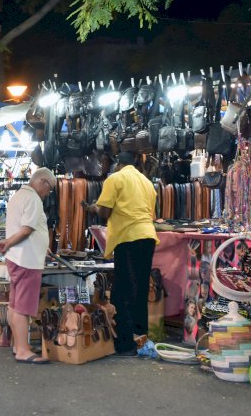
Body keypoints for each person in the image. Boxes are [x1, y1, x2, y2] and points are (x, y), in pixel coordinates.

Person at [85, 152, 158, 356]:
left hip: (128, 236)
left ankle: (125, 344)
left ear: (118, 164)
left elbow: (105, 211)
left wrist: (93, 208)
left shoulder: (115, 178)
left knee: (122, 291)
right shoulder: (147, 182)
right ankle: (140, 337)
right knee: (140, 289)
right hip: (148, 236)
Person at [0, 168, 55, 365]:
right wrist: (8, 243)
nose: (49, 193)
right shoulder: (33, 199)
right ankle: (22, 349)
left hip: (18, 257)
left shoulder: (18, 196)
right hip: (26, 260)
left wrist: (41, 245)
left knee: (15, 304)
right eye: (50, 189)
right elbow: (27, 229)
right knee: (23, 307)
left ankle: (18, 345)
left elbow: (28, 228)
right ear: (43, 182)